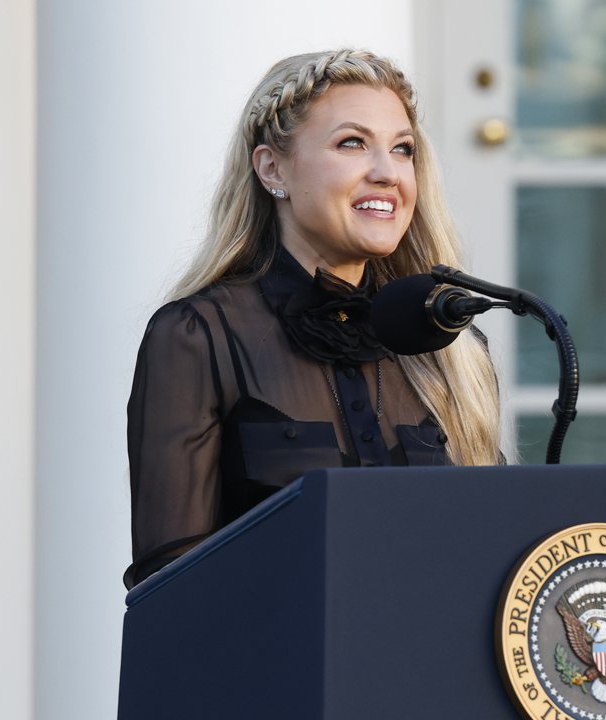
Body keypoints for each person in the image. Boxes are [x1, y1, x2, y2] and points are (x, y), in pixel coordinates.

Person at [124, 49, 503, 589]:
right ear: (272, 168)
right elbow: (171, 582)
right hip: (274, 666)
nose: (386, 173)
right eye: (352, 143)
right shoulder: (197, 336)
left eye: (402, 150)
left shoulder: (454, 346)